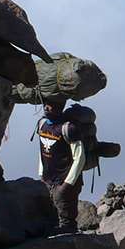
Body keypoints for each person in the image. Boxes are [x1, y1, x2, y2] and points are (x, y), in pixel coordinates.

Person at [38, 97, 86, 233]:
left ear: (59, 108)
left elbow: (79, 158)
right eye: (45, 104)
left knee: (66, 218)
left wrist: (68, 184)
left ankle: (70, 242)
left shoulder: (69, 129)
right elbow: (41, 150)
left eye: (51, 105)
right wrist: (41, 174)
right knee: (50, 214)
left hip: (65, 180)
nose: (46, 107)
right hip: (48, 178)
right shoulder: (42, 124)